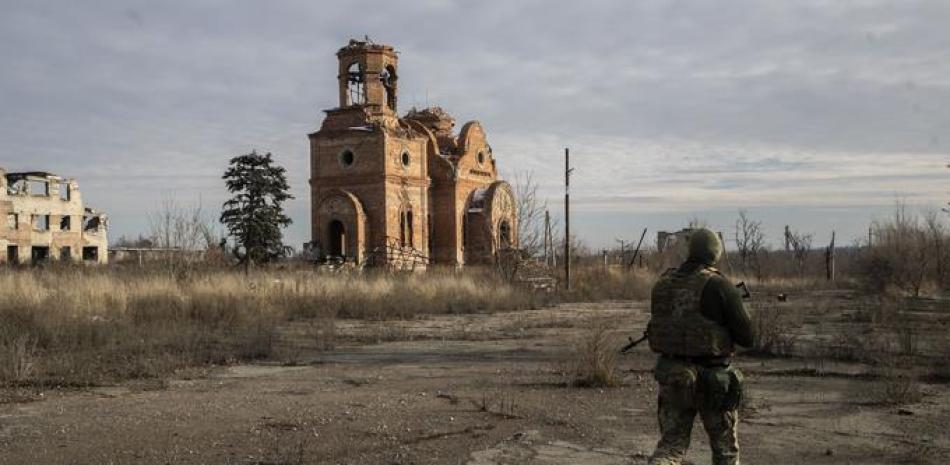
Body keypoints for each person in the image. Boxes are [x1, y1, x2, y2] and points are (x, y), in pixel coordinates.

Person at [646, 228, 754, 465]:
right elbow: (748, 337)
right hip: (713, 380)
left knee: (670, 447)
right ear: (714, 253)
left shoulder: (663, 284)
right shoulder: (719, 285)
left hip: (673, 375)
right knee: (725, 451)